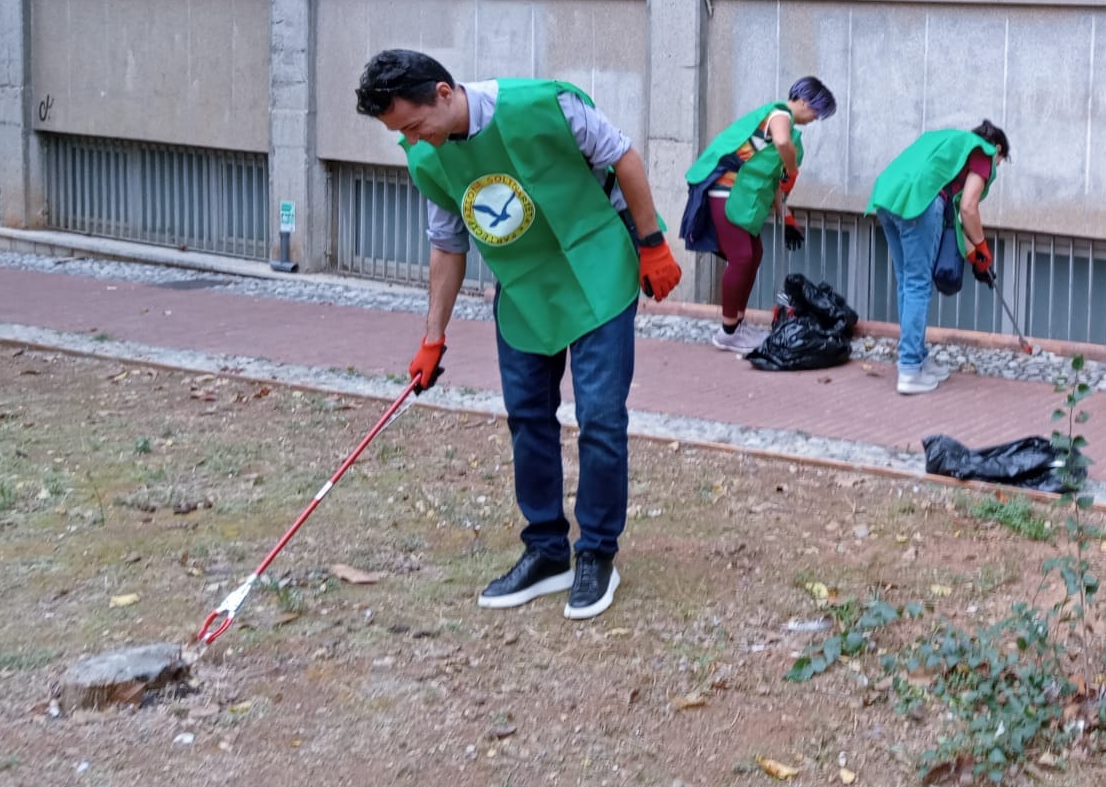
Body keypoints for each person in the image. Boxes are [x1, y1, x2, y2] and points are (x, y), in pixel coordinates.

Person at [354, 49, 681, 621]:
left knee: (601, 417)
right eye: (399, 134)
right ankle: (546, 550)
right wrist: (433, 337)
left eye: (414, 125)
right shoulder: (427, 158)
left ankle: (597, 555)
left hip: (596, 267)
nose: (414, 140)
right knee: (528, 417)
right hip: (525, 288)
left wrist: (652, 243)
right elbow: (447, 245)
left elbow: (624, 158)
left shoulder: (546, 105)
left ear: (444, 93)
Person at [681, 77, 838, 354]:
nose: (815, 118)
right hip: (726, 192)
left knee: (754, 254)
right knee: (741, 257)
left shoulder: (788, 133)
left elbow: (773, 184)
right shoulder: (780, 115)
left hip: (739, 197)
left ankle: (737, 324)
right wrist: (791, 167)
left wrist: (786, 219)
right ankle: (728, 331)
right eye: (816, 111)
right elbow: (781, 143)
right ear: (803, 101)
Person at [866, 121, 1011, 396]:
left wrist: (974, 255)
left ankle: (918, 360)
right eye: (999, 164)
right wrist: (982, 246)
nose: (993, 170)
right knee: (918, 284)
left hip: (887, 196)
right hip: (920, 203)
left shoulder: (948, 143)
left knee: (906, 281)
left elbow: (955, 219)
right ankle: (909, 369)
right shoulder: (984, 152)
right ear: (998, 149)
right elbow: (968, 208)